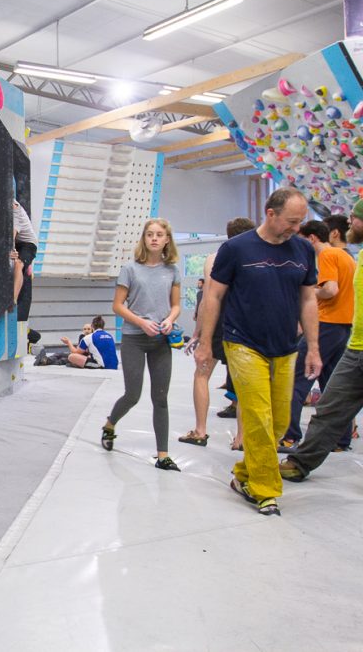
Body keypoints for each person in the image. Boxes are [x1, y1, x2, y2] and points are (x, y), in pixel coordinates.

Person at [195, 188, 319, 516]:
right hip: (242, 342)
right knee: (259, 417)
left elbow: (308, 300)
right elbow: (214, 297)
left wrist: (314, 348)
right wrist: (206, 343)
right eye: (291, 220)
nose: (296, 226)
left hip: (286, 347)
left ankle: (244, 475)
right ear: (270, 213)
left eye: (301, 220)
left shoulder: (304, 250)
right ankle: (265, 490)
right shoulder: (236, 249)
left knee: (279, 422)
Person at [281, 202, 363, 480]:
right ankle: (302, 462)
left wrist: (304, 295)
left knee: (299, 379)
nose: (350, 222)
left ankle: (290, 437)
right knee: (329, 402)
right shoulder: (355, 256)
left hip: (330, 327)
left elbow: (329, 289)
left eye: (355, 218)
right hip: (353, 341)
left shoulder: (329, 256)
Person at [100, 218, 182, 471]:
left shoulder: (172, 271)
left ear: (167, 240)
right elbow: (117, 306)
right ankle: (110, 423)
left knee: (161, 398)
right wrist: (142, 322)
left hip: (160, 341)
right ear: (144, 239)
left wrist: (169, 320)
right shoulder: (130, 269)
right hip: (135, 339)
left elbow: (176, 305)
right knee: (132, 395)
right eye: (150, 234)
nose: (154, 238)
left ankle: (163, 455)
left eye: (159, 234)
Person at [179, 217, 255, 447]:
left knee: (201, 375)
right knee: (243, 384)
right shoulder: (255, 259)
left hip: (218, 323)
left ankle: (200, 431)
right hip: (242, 324)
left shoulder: (214, 259)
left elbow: (208, 299)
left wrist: (198, 332)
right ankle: (241, 438)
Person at [13, 198, 38, 322]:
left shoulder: (15, 212)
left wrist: (12, 251)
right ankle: (28, 267)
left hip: (28, 244)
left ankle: (13, 299)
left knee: (18, 264)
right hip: (19, 242)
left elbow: (12, 237)